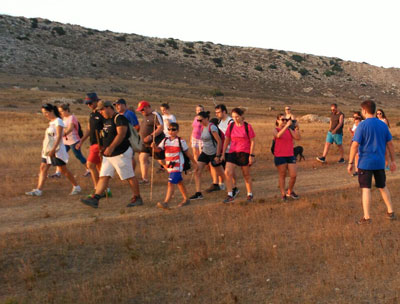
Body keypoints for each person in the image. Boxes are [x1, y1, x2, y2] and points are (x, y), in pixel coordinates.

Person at [80, 101, 143, 208]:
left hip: (120, 153)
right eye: (99, 110)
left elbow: (121, 134)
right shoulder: (106, 120)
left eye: (102, 109)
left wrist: (111, 147)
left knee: (129, 176)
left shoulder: (119, 119)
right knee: (104, 176)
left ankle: (137, 198)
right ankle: (95, 198)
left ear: (109, 107)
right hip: (108, 155)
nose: (100, 112)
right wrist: (104, 148)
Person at [347, 100, 396, 224]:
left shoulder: (361, 126)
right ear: (375, 110)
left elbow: (354, 145)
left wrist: (350, 162)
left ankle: (367, 217)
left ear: (364, 111)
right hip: (379, 162)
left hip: (365, 163)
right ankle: (390, 211)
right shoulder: (382, 125)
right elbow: (390, 144)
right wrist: (393, 160)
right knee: (382, 186)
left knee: (366, 188)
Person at [26, 104, 81, 196]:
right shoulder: (52, 122)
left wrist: (53, 149)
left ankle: (76, 186)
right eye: (43, 113)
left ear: (52, 111)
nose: (45, 115)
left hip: (56, 150)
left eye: (46, 112)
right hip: (47, 150)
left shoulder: (58, 121)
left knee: (63, 169)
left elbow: (59, 136)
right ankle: (39, 190)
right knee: (43, 168)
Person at [151, 122, 197, 210]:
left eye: (173, 129)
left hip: (177, 165)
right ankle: (186, 199)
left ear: (177, 131)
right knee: (179, 182)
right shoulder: (165, 140)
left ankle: (166, 202)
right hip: (170, 166)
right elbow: (158, 150)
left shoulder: (180, 141)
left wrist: (195, 163)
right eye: (169, 129)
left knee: (170, 183)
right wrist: (154, 147)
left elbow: (188, 153)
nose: (171, 131)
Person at [76, 93, 111, 197]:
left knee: (90, 164)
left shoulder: (102, 113)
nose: (89, 105)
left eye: (90, 103)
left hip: (99, 144)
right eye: (87, 103)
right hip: (93, 142)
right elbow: (89, 129)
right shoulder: (92, 114)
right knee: (100, 167)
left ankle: (97, 189)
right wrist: (81, 140)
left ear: (96, 101)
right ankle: (105, 189)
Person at [221, 108, 256, 203]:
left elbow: (252, 141)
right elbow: (227, 140)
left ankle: (250, 194)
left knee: (246, 174)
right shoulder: (231, 126)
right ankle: (230, 194)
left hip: (244, 152)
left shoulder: (247, 127)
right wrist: (223, 153)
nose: (235, 119)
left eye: (237, 116)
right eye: (233, 117)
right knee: (227, 172)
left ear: (241, 116)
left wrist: (251, 155)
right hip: (232, 152)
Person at [190, 111, 225, 200]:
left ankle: (233, 188)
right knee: (197, 171)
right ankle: (198, 193)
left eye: (200, 120)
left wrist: (217, 155)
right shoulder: (203, 127)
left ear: (206, 119)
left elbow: (219, 141)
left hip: (213, 153)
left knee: (222, 174)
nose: (199, 122)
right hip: (205, 152)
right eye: (198, 120)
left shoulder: (212, 127)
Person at [273, 113, 301, 201]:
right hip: (280, 155)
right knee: (282, 175)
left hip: (290, 155)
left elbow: (298, 137)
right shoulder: (275, 129)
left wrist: (297, 128)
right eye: (282, 120)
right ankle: (283, 194)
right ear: (277, 121)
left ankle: (290, 191)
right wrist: (286, 127)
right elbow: (278, 135)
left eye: (286, 120)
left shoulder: (289, 130)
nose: (285, 121)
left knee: (293, 175)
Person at [57, 103, 90, 176]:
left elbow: (71, 128)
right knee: (60, 155)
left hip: (74, 141)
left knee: (78, 155)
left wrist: (62, 134)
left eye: (61, 111)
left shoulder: (72, 117)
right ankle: (58, 172)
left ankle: (89, 169)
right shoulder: (64, 118)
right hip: (65, 141)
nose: (60, 113)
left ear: (66, 110)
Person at [136, 100, 165, 184]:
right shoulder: (145, 117)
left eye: (142, 109)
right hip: (145, 144)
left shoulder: (155, 115)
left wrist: (151, 136)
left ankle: (173, 173)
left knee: (161, 161)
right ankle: (145, 179)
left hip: (155, 142)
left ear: (147, 107)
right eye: (140, 110)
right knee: (142, 158)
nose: (141, 112)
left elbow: (160, 127)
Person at [113, 98, 139, 170]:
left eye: (119, 105)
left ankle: (132, 172)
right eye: (116, 105)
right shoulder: (118, 115)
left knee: (130, 156)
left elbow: (136, 126)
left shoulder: (129, 113)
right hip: (122, 138)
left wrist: (131, 136)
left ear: (124, 105)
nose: (117, 107)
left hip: (129, 138)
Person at [215, 104, 236, 193]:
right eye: (216, 112)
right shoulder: (219, 122)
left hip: (230, 149)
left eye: (218, 112)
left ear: (224, 111)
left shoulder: (230, 122)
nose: (217, 114)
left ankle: (234, 186)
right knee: (224, 168)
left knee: (230, 170)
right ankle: (227, 185)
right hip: (222, 149)